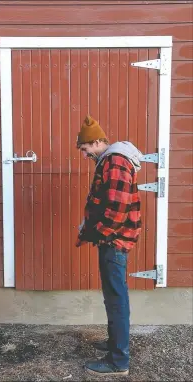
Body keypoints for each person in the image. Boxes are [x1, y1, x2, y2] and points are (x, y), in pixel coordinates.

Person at [76, 115, 143, 376]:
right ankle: (115, 344)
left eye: (85, 149)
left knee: (116, 298)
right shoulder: (110, 160)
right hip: (113, 237)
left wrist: (101, 234)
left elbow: (118, 207)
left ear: (98, 142)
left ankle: (118, 361)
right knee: (114, 296)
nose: (84, 154)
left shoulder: (115, 162)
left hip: (114, 239)